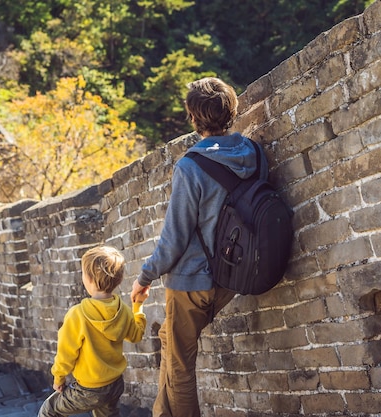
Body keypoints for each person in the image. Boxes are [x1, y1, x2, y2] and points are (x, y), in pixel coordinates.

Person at [130, 77, 268, 417]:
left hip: (192, 282)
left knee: (179, 367)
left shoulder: (190, 167)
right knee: (168, 338)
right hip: (233, 275)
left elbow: (174, 238)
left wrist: (144, 277)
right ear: (233, 111)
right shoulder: (252, 153)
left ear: (193, 118)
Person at [39, 246, 149, 417]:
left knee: (50, 410)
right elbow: (137, 335)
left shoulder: (78, 314)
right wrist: (138, 305)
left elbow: (66, 353)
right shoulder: (124, 310)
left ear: (89, 279)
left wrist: (59, 377)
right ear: (118, 280)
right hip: (115, 384)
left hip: (89, 390)